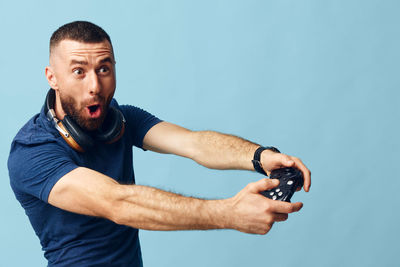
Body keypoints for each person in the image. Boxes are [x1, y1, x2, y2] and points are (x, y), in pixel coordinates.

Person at [8, 21, 311, 267]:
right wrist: (229, 213)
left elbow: (195, 143)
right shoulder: (32, 151)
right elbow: (117, 203)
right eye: (79, 72)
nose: (95, 86)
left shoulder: (122, 121)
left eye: (104, 68)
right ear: (52, 78)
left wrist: (259, 156)